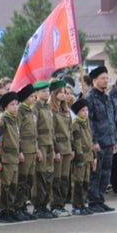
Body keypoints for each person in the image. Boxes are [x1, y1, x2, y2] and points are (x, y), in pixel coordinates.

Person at [85, 66, 117, 213]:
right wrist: (94, 141)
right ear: (94, 80)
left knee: (106, 173)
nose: (105, 81)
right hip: (98, 143)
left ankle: (100, 199)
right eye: (102, 78)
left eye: (106, 78)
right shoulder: (90, 98)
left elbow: (111, 120)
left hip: (109, 141)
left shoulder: (107, 97)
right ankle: (93, 201)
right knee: (96, 173)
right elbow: (89, 122)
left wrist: (115, 140)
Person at [31, 80, 55, 218]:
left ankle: (45, 204)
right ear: (36, 93)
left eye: (47, 91)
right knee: (39, 176)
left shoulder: (47, 107)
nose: (46, 93)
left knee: (49, 175)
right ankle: (38, 206)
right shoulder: (35, 108)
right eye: (43, 91)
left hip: (49, 144)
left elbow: (52, 129)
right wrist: (36, 148)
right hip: (41, 145)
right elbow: (34, 129)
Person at [50, 79, 74, 217]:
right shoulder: (52, 111)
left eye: (65, 92)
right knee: (57, 178)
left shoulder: (66, 111)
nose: (64, 94)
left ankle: (62, 204)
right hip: (58, 147)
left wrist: (72, 148)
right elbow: (52, 132)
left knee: (65, 178)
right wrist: (56, 150)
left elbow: (70, 130)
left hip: (67, 148)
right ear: (54, 93)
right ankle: (55, 205)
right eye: (61, 92)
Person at [16, 83, 40, 221]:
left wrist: (36, 149)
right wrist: (20, 150)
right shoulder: (20, 111)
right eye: (31, 96)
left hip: (32, 149)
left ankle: (23, 205)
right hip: (24, 150)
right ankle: (18, 206)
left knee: (29, 180)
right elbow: (17, 132)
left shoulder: (31, 110)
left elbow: (34, 132)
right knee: (22, 179)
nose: (34, 98)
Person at [0, 91, 21, 222]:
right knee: (5, 186)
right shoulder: (3, 120)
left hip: (14, 157)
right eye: (12, 104)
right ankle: (3, 211)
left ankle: (10, 209)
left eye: (16, 104)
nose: (15, 107)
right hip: (6, 157)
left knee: (13, 185)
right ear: (6, 106)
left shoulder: (14, 119)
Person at [71, 99, 97, 215]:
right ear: (77, 112)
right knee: (78, 181)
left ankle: (83, 204)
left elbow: (90, 140)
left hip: (88, 156)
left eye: (86, 110)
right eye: (82, 111)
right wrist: (80, 156)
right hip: (80, 157)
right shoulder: (76, 124)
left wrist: (93, 155)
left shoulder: (86, 122)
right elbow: (77, 142)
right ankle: (76, 205)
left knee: (86, 181)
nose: (85, 113)